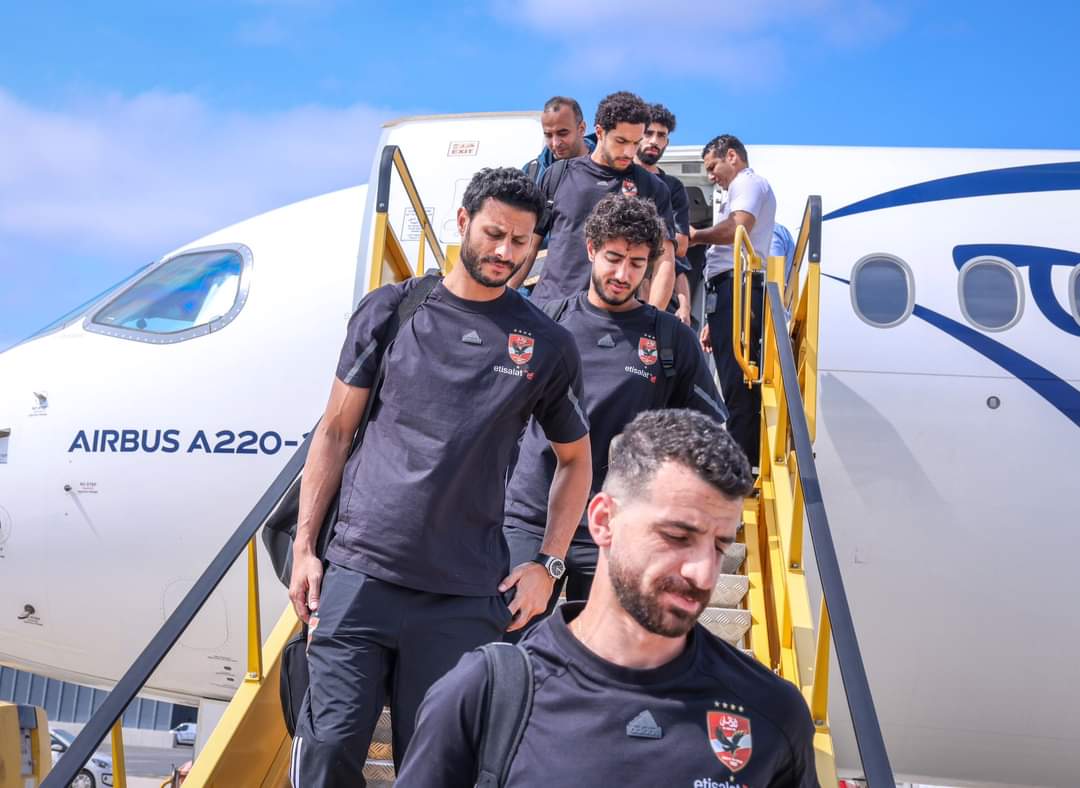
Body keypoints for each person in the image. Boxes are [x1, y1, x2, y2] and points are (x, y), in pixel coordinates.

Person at [288, 167, 593, 786]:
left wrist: (549, 563)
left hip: (462, 595)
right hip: (360, 575)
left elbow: (576, 459)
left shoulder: (545, 344)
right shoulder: (393, 309)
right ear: (463, 222)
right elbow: (335, 432)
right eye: (494, 234)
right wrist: (304, 548)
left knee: (439, 773)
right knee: (326, 756)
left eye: (521, 241)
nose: (506, 252)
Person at [396, 409, 818, 787]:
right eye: (677, 536)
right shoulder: (485, 696)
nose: (703, 572)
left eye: (720, 545)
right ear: (603, 521)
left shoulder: (770, 712)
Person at [502, 194, 728, 640]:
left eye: (637, 263)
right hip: (531, 519)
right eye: (614, 258)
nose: (623, 275)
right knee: (508, 650)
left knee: (604, 663)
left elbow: (709, 436)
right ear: (591, 249)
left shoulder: (671, 340)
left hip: (616, 532)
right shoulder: (544, 322)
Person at [510, 91, 677, 310]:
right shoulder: (558, 174)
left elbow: (665, 261)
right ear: (599, 132)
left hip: (609, 319)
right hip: (548, 310)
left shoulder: (652, 188)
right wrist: (503, 297)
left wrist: (654, 320)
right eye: (621, 141)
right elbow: (529, 246)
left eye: (635, 142)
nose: (629, 151)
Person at [690, 134, 776, 464]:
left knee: (740, 387)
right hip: (728, 294)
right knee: (732, 383)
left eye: (712, 167)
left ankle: (744, 464)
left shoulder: (748, 183)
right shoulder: (736, 190)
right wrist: (713, 320)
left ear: (731, 156)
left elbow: (737, 229)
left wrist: (695, 236)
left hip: (738, 287)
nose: (711, 176)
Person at [635, 102, 693, 326]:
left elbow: (681, 247)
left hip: (659, 285)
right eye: (648, 133)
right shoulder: (618, 177)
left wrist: (684, 305)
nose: (654, 141)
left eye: (661, 135)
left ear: (667, 142)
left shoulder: (672, 187)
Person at [522, 96, 595, 186]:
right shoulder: (530, 174)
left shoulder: (608, 167)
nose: (555, 143)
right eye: (548, 135)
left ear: (581, 129)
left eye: (562, 133)